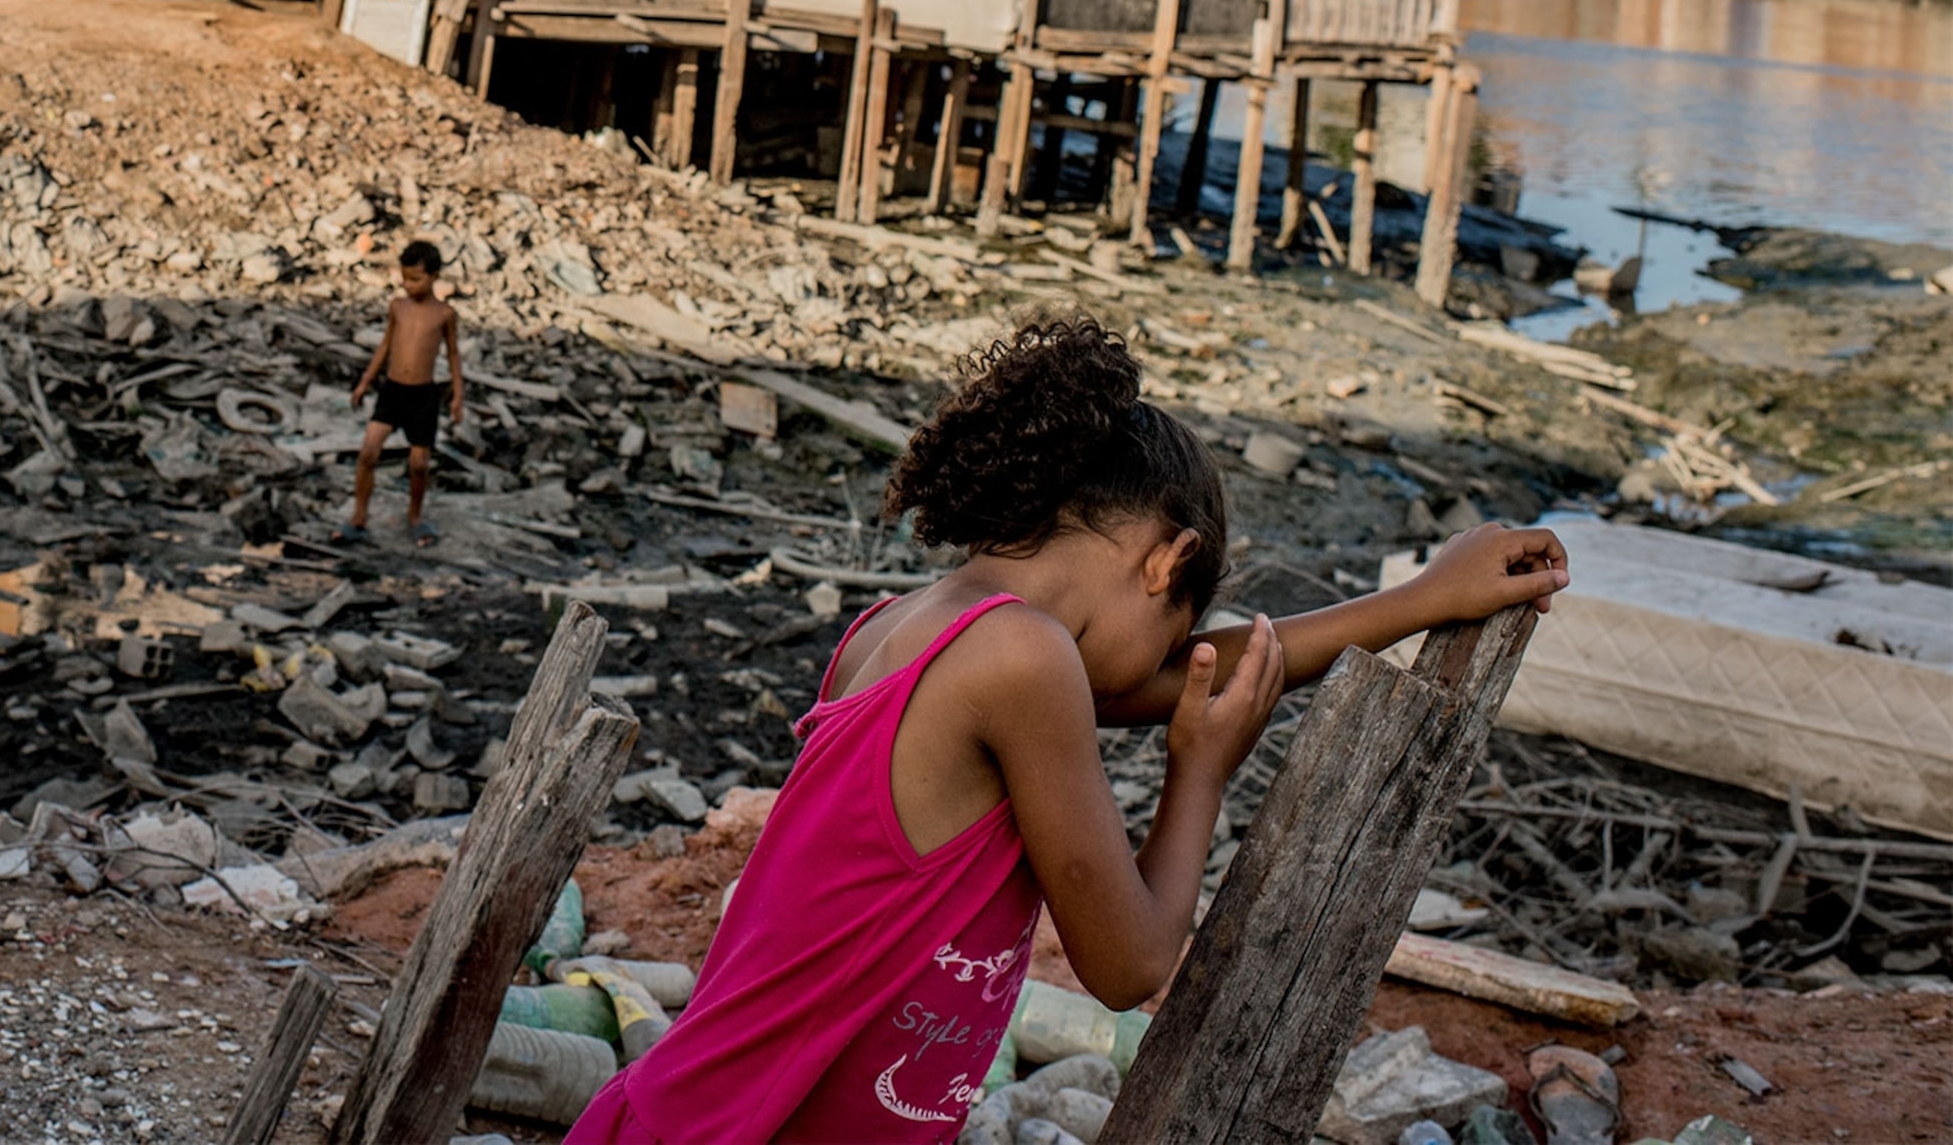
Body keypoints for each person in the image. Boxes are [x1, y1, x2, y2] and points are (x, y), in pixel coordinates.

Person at [565, 313, 1569, 1143]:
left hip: (685, 1113)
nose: (1179, 659)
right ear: (1167, 562)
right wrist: (1200, 771)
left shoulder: (907, 630)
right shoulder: (1024, 661)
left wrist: (1427, 596)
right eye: (1180, 617)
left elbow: (1191, 666)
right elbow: (1129, 966)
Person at [345, 239, 464, 544]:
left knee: (419, 464)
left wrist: (458, 396)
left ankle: (415, 516)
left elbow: (452, 355)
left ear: (434, 276)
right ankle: (359, 515)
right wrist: (364, 382)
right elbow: (385, 346)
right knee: (369, 451)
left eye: (416, 278)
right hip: (393, 391)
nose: (409, 285)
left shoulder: (444, 314)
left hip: (423, 395)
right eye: (405, 278)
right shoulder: (397, 307)